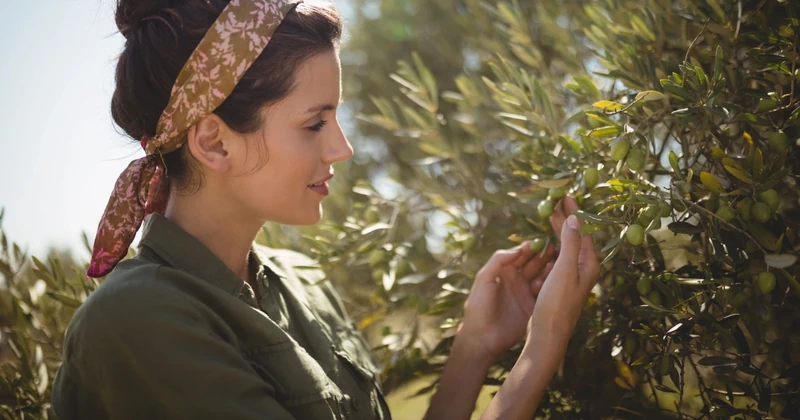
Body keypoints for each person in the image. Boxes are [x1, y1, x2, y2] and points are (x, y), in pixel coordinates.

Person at [51, 1, 601, 419]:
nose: (342, 148)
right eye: (314, 124)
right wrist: (539, 354)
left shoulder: (305, 285)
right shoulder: (137, 321)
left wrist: (474, 346)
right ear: (214, 143)